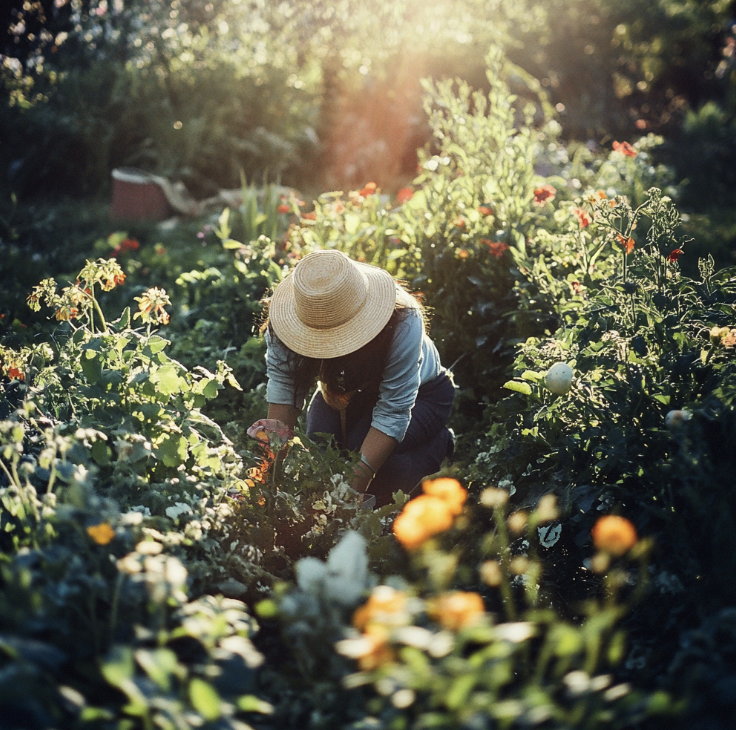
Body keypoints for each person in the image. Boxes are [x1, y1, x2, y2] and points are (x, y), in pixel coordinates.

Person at [248, 249, 455, 506]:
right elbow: (285, 389)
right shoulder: (286, 323)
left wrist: (348, 493)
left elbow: (393, 412)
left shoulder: (403, 320)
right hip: (341, 390)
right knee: (320, 449)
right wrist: (269, 474)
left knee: (368, 458)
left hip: (423, 394)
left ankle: (439, 445)